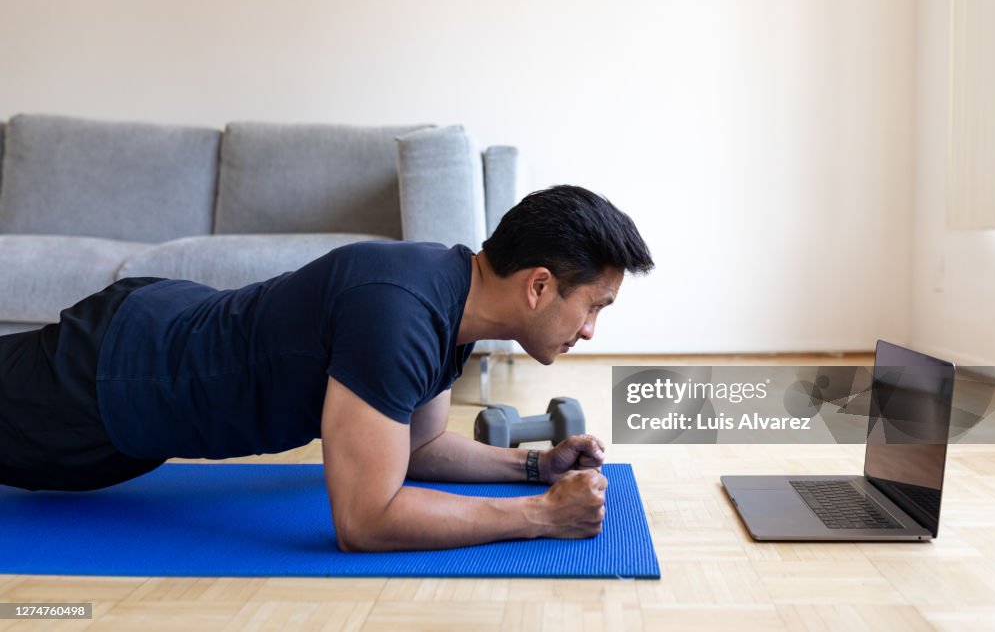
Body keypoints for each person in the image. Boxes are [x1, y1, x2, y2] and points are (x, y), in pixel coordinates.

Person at [0, 184, 654, 551]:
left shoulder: (450, 297)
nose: (591, 331)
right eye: (593, 306)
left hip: (149, 356)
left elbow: (416, 447)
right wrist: (540, 515)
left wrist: (534, 467)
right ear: (539, 287)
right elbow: (367, 520)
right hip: (106, 382)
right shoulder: (400, 317)